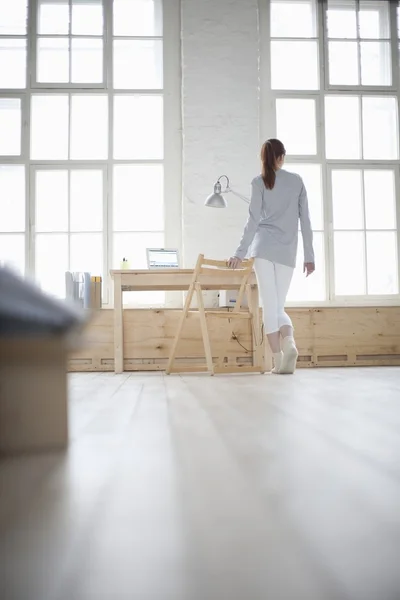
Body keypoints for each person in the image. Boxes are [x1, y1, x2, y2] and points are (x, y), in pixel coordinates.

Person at [228, 139, 315, 374]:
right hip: (287, 251)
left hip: (263, 249)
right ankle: (290, 343)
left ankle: (278, 361)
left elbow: (252, 221)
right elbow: (305, 221)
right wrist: (310, 256)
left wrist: (239, 253)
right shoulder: (297, 181)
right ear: (281, 156)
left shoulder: (258, 182)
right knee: (278, 305)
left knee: (270, 305)